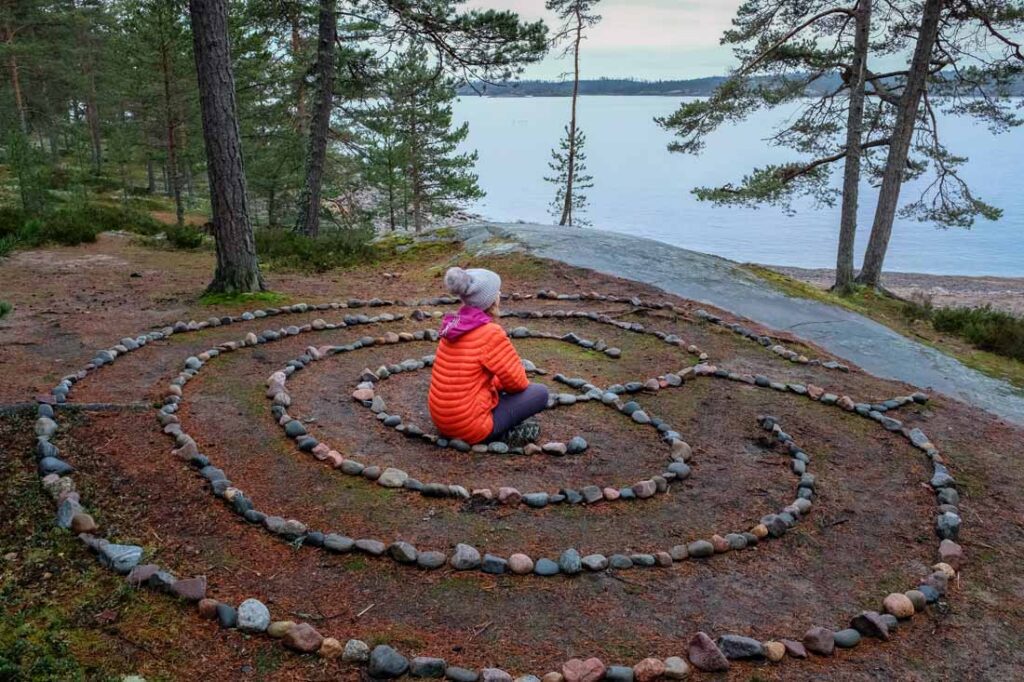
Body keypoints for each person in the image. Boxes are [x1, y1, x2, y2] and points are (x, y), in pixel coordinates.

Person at [428, 267, 549, 445]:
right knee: (540, 393)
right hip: (468, 427)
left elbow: (467, 375)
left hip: (442, 420)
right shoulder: (490, 333)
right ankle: (506, 435)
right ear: (492, 299)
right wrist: (501, 385)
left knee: (497, 386)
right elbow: (518, 383)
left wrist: (495, 384)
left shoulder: (452, 326)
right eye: (497, 291)